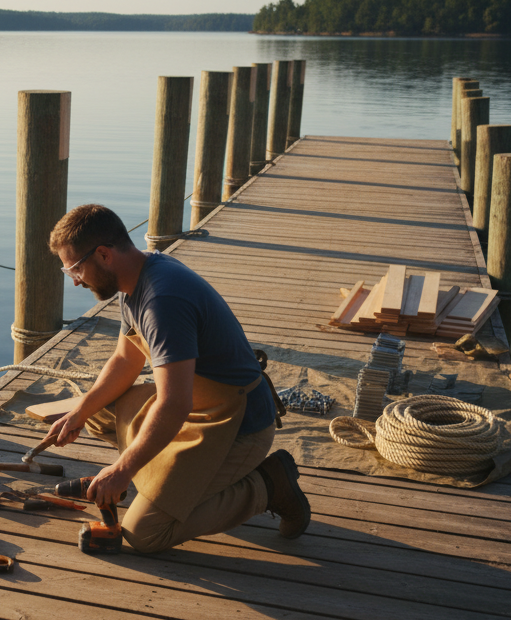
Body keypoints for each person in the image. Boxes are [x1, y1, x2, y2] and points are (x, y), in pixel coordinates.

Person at [39, 204, 310, 553]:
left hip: (237, 423)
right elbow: (125, 359)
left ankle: (268, 485)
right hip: (197, 403)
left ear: (104, 254)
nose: (75, 280)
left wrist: (121, 470)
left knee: (145, 533)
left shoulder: (162, 302)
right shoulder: (135, 277)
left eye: (75, 268)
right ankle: (165, 481)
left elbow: (173, 404)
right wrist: (79, 412)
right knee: (97, 413)